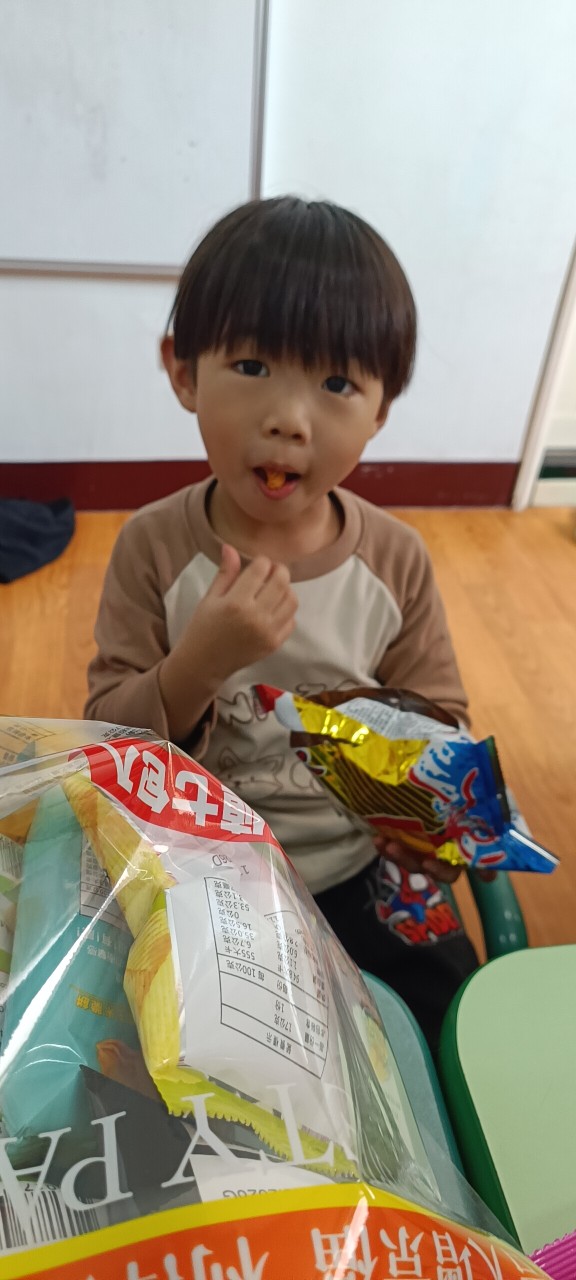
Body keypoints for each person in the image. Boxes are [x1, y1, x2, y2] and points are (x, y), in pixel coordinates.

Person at [85, 196, 477, 1049]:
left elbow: (441, 720)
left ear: (381, 410)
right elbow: (106, 742)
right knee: (144, 1042)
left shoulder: (394, 559)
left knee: (451, 1026)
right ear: (183, 372)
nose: (290, 419)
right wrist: (198, 664)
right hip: (199, 866)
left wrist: (420, 813)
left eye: (337, 384)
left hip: (356, 864)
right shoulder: (154, 547)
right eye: (253, 365)